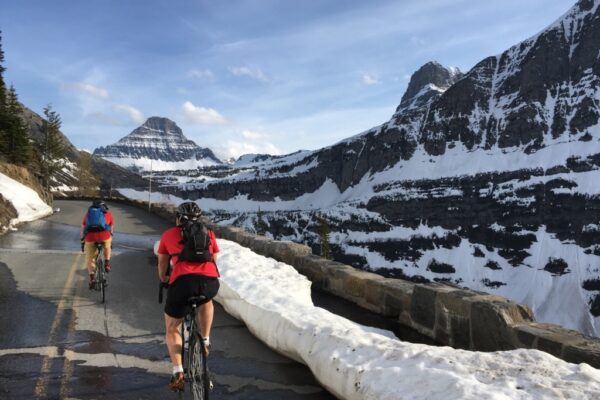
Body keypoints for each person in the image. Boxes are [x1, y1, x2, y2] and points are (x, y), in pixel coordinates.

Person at [157, 201, 220, 391]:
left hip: (183, 283)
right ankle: (206, 339)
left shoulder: (168, 235)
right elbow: (214, 258)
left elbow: (162, 264)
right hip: (209, 282)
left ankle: (178, 371)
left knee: (172, 327)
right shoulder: (208, 233)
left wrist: (165, 278)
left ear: (178, 218)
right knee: (207, 301)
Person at [80, 199, 114, 289]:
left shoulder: (88, 214)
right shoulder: (108, 214)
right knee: (108, 244)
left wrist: (82, 240)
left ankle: (92, 279)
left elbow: (83, 227)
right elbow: (111, 228)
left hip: (90, 237)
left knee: (90, 259)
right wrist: (110, 239)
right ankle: (107, 263)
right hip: (104, 236)